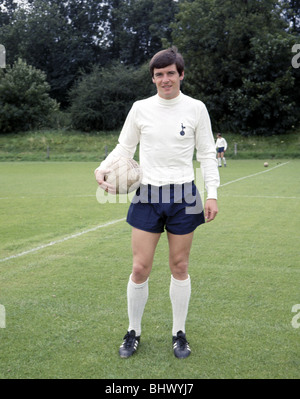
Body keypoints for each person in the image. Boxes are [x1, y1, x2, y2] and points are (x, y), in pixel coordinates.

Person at [94, 47, 219, 359]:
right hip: (148, 194)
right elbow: (125, 146)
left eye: (170, 74)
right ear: (153, 78)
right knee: (140, 267)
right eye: (159, 75)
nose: (165, 79)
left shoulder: (196, 108)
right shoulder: (140, 109)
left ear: (181, 75)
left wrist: (212, 192)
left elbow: (205, 153)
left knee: (179, 266)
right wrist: (103, 167)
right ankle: (133, 331)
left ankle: (179, 333)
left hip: (185, 196)